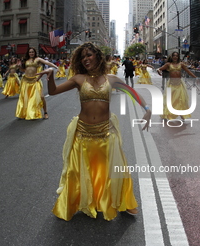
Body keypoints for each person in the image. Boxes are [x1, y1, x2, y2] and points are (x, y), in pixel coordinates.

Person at [37, 42, 151, 221]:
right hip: (83, 133)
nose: (86, 59)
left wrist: (147, 108)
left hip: (106, 132)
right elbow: (54, 91)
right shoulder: (78, 79)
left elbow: (131, 92)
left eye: (89, 55)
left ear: (97, 56)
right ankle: (76, 201)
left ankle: (124, 202)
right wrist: (50, 76)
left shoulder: (111, 79)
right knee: (77, 172)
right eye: (83, 57)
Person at [16, 47, 58, 120]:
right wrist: (19, 66)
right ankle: (25, 113)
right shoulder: (25, 60)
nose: (31, 53)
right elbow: (23, 70)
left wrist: (55, 66)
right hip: (26, 81)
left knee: (41, 97)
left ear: (35, 53)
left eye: (32, 52)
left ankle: (45, 112)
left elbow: (47, 62)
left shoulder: (37, 59)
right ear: (28, 53)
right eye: (30, 52)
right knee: (25, 98)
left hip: (35, 81)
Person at [157, 51, 197, 121]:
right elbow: (159, 68)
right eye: (174, 55)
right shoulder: (168, 64)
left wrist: (195, 77)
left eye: (176, 56)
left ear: (178, 57)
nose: (175, 57)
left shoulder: (181, 64)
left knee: (181, 100)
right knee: (170, 100)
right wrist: (158, 71)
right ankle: (167, 114)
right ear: (171, 57)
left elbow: (188, 71)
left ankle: (182, 115)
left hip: (180, 85)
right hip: (171, 85)